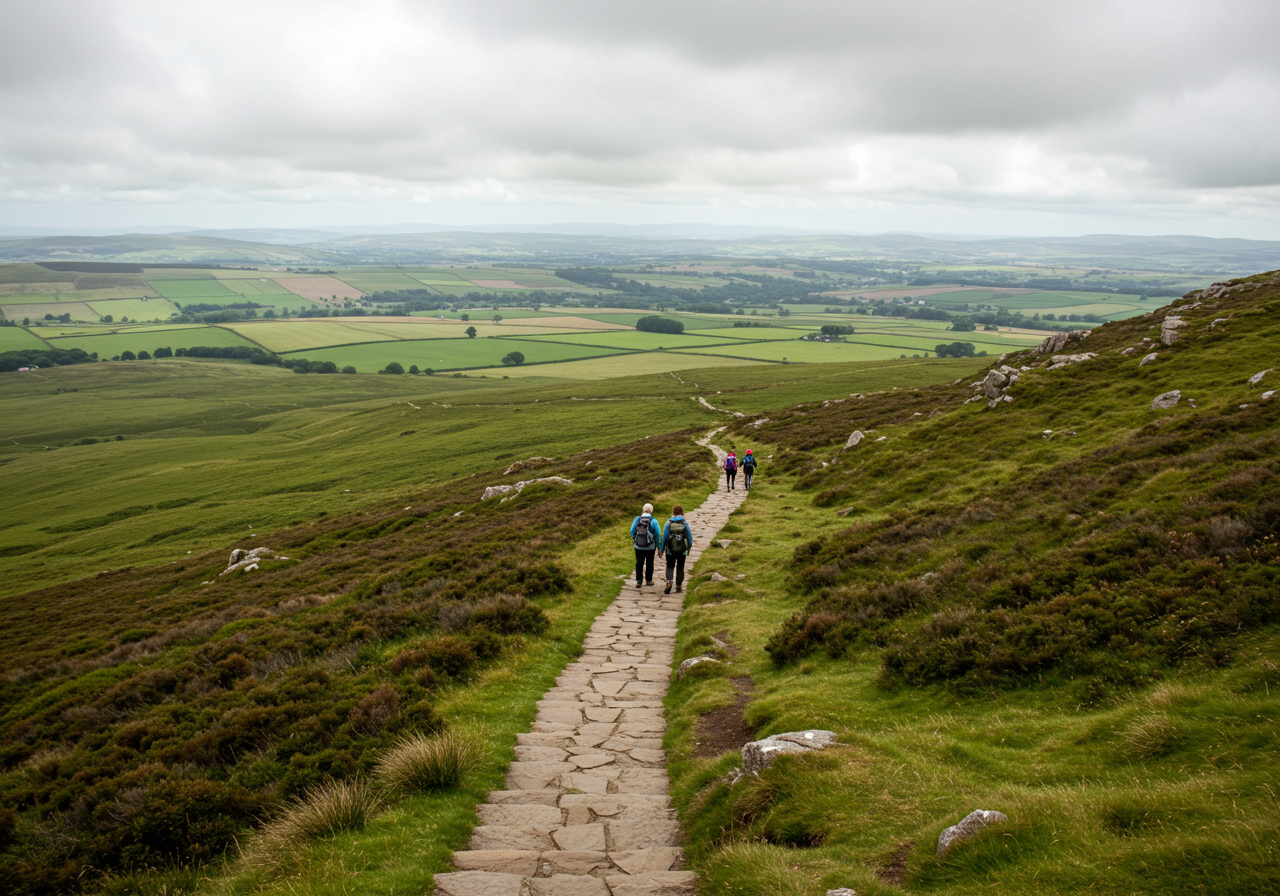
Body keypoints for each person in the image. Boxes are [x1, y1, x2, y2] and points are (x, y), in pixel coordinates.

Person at [658, 505, 694, 593]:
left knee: (670, 566)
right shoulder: (684, 523)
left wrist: (661, 549)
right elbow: (689, 537)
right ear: (682, 513)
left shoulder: (668, 523)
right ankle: (678, 585)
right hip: (682, 550)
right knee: (680, 567)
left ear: (673, 513)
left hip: (670, 550)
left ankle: (669, 582)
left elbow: (664, 537)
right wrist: (688, 547)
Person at [630, 503, 660, 588]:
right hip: (650, 546)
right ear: (651, 511)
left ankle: (639, 581)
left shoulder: (637, 519)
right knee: (649, 562)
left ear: (643, 510)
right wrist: (657, 545)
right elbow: (657, 533)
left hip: (638, 546)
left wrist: (636, 539)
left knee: (639, 563)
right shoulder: (653, 521)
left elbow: (632, 531)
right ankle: (649, 580)